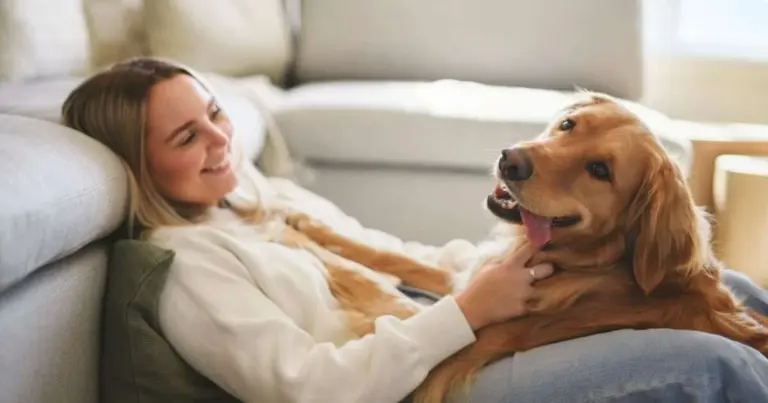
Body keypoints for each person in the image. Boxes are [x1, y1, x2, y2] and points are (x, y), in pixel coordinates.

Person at [61, 57, 768, 403]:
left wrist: (484, 279)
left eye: (216, 112)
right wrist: (470, 309)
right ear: (138, 166)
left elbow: (398, 254)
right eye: (187, 136)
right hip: (414, 387)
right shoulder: (188, 266)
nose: (221, 140)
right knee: (716, 367)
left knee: (731, 288)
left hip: (438, 333)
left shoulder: (255, 194)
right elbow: (314, 390)